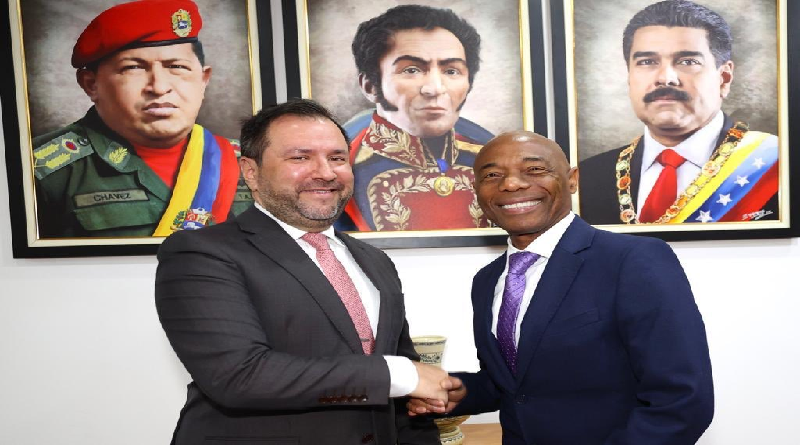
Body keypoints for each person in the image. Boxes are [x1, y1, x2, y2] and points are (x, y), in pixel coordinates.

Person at [155, 99, 453, 444]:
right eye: (300, 157)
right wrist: (396, 374)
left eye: (337, 158)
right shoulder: (201, 253)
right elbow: (239, 377)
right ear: (250, 171)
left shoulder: (373, 260)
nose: (325, 172)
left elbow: (409, 391)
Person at [408, 131, 714, 443]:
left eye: (534, 169)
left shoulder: (632, 261)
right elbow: (518, 384)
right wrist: (466, 392)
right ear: (476, 190)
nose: (511, 184)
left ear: (572, 180)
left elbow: (682, 401)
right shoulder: (487, 280)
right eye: (492, 175)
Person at [32, 0, 251, 238]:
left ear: (203, 80)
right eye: (133, 68)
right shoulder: (40, 171)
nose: (159, 87)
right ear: (91, 84)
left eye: (177, 66)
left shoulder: (252, 164)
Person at [579, 0, 778, 225]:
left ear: (724, 78)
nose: (666, 78)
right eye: (647, 61)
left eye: (687, 61)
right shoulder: (588, 177)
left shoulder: (778, 167)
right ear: (629, 76)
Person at [340, 5, 493, 231]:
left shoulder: (488, 160)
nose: (435, 88)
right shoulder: (341, 171)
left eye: (451, 71)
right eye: (411, 70)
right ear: (370, 86)